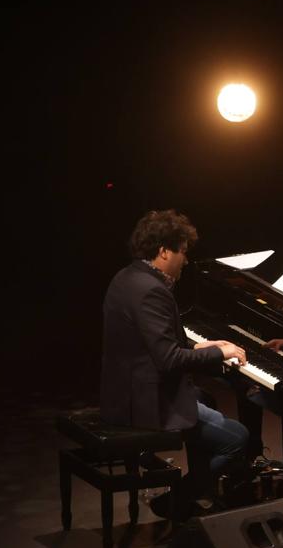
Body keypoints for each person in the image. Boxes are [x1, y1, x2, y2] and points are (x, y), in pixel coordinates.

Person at [100, 210, 250, 516]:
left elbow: (156, 342)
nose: (186, 259)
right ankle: (180, 498)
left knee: (204, 397)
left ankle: (202, 497)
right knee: (239, 439)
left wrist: (200, 345)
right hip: (147, 403)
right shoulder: (152, 290)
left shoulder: (127, 277)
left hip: (125, 392)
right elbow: (168, 359)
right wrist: (222, 352)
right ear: (164, 251)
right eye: (183, 252)